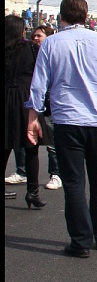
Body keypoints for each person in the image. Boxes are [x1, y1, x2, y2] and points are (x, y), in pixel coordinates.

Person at [27, 0, 97, 258]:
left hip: (68, 119)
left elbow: (39, 85)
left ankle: (80, 241)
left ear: (62, 17)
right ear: (86, 16)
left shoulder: (51, 43)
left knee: (73, 182)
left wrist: (33, 117)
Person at [5, 15, 45, 205]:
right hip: (25, 99)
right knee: (31, 147)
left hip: (6, 98)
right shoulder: (31, 48)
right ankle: (33, 192)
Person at [31, 25, 62, 190]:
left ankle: (56, 174)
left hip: (49, 105)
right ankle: (22, 172)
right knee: (27, 143)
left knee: (52, 143)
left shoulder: (52, 54)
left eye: (39, 36)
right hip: (32, 104)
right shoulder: (29, 54)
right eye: (34, 36)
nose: (35, 38)